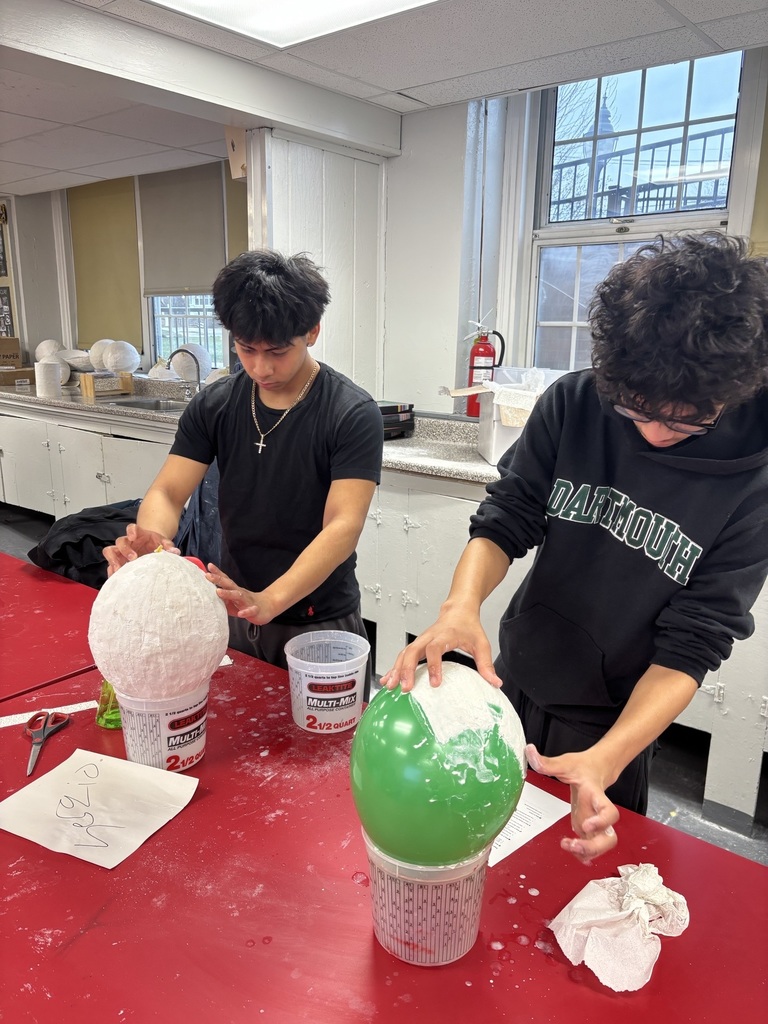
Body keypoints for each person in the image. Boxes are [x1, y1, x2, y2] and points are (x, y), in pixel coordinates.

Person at [382, 232, 768, 863]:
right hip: (515, 678)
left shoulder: (755, 480)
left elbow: (696, 642)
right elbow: (508, 517)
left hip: (612, 725)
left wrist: (607, 760)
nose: (654, 433)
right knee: (487, 860)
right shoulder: (578, 401)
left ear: (734, 388)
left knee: (572, 880)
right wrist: (460, 607)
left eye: (684, 419)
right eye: (635, 409)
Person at [103, 250, 383, 671]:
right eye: (246, 349)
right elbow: (168, 492)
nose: (260, 367)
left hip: (317, 619)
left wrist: (270, 600)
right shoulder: (216, 404)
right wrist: (155, 540)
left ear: (312, 331)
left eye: (277, 351)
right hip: (232, 606)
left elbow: (343, 526)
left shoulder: (350, 412)